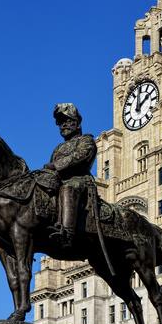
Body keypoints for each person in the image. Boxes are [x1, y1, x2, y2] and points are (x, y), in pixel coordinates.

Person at [44, 103, 97, 249]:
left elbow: (80, 156)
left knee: (68, 188)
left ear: (77, 123)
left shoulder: (86, 140)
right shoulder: (58, 148)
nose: (63, 125)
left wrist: (56, 166)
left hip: (80, 181)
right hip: (59, 181)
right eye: (61, 123)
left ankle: (67, 234)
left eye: (68, 121)